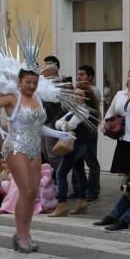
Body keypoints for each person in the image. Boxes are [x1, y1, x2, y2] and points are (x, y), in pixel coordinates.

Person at [0, 68, 74, 252]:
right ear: (19, 82)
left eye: (35, 82)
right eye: (28, 82)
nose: (32, 86)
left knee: (33, 192)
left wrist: (59, 133)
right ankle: (20, 234)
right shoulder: (12, 98)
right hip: (16, 147)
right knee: (25, 190)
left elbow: (39, 128)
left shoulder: (38, 99)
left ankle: (26, 234)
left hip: (35, 147)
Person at [50, 87, 98, 217]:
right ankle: (82, 202)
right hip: (77, 144)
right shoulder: (74, 109)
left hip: (77, 145)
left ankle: (62, 204)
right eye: (75, 94)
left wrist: (63, 124)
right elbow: (57, 123)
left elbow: (70, 125)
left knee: (61, 173)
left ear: (86, 97)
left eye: (79, 94)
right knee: (79, 172)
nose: (76, 97)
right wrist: (63, 124)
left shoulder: (83, 110)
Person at [74, 64, 101, 203]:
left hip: (88, 131)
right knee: (77, 163)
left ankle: (93, 192)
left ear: (90, 77)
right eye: (78, 74)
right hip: (78, 131)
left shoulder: (93, 91)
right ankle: (80, 190)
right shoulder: (77, 90)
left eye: (82, 74)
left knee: (91, 163)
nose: (79, 76)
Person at [40, 55, 69, 166]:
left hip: (51, 122)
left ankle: (58, 180)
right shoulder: (43, 82)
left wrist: (55, 122)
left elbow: (64, 107)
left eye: (45, 67)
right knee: (44, 152)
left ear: (51, 69)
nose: (42, 70)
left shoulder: (61, 84)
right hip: (42, 121)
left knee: (53, 154)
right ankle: (50, 179)